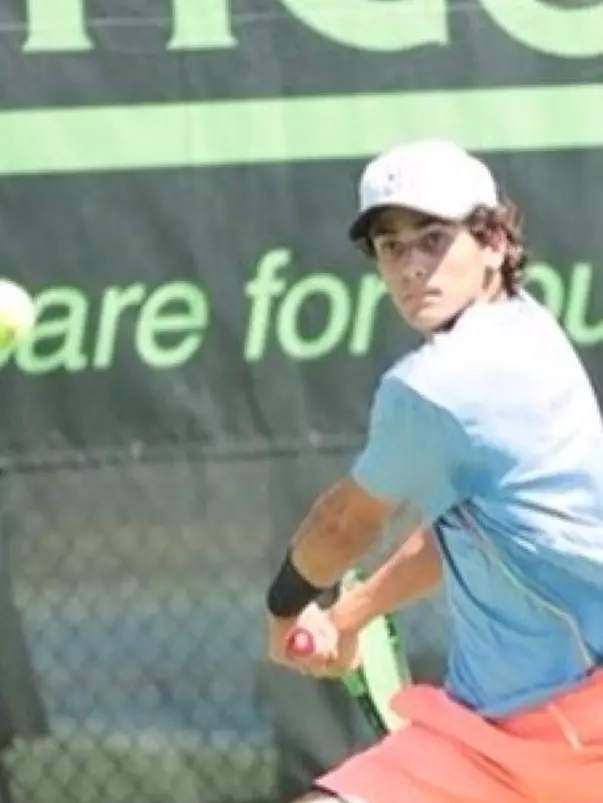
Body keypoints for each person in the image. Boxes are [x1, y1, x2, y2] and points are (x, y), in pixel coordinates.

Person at [265, 138, 603, 803]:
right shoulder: (526, 328)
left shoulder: (438, 385)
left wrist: (283, 611)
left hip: (577, 725)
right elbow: (464, 532)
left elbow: (342, 522)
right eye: (391, 246)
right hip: (484, 732)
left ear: (494, 242)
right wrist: (351, 612)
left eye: (432, 238)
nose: (412, 265)